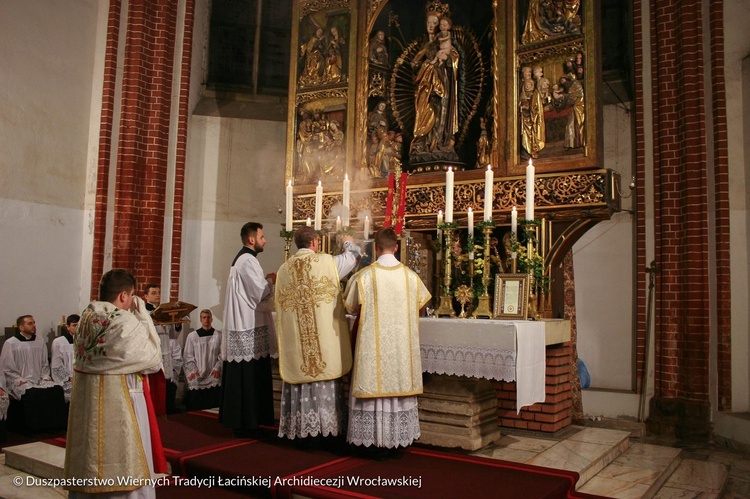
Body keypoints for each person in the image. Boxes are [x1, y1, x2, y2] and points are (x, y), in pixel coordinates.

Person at [64, 269, 165, 498]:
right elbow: (153, 360)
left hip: (89, 404)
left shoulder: (86, 318)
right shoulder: (124, 322)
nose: (131, 302)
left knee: (91, 454)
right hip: (123, 401)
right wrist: (144, 318)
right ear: (122, 296)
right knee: (126, 460)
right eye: (130, 296)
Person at [343, 228, 431, 455]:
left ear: (375, 247)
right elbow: (422, 306)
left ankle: (371, 441)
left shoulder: (364, 276)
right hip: (400, 350)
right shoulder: (411, 277)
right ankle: (395, 440)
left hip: (373, 351)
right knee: (397, 385)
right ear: (397, 247)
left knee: (372, 383)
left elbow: (351, 306)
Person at [275, 226, 360, 446]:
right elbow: (353, 257)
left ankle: (300, 429)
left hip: (298, 343)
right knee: (323, 370)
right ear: (314, 242)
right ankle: (326, 431)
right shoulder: (328, 263)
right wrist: (348, 242)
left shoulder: (284, 270)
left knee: (301, 373)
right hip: (322, 342)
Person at [220, 222, 277, 438]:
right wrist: (272, 281)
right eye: (262, 237)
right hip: (246, 325)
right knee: (248, 373)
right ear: (251, 240)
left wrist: (265, 281)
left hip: (245, 322)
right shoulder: (248, 260)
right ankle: (247, 423)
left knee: (247, 373)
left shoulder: (243, 260)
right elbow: (260, 293)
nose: (265, 240)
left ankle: (247, 421)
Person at [0, 315, 67, 433]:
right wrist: (20, 380)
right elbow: (7, 368)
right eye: (30, 323)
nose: (34, 326)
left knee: (56, 389)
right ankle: (31, 428)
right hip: (19, 380)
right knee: (32, 393)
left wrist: (45, 377)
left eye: (34, 323)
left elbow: (44, 364)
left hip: (39, 379)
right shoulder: (11, 343)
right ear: (21, 327)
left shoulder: (39, 341)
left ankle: (54, 426)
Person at [410, 10, 459, 162]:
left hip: (442, 84)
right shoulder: (426, 45)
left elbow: (454, 60)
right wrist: (423, 65)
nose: (431, 26)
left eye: (435, 23)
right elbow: (415, 66)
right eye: (429, 23)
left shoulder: (446, 43)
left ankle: (439, 143)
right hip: (425, 86)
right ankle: (422, 143)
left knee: (440, 113)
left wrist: (445, 59)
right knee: (424, 111)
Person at [143, 283, 180, 416]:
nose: (157, 295)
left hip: (165, 350)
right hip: (153, 353)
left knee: (166, 385)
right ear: (146, 296)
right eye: (153, 293)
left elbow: (172, 336)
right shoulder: (143, 313)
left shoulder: (164, 311)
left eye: (158, 292)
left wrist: (176, 322)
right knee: (154, 386)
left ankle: (165, 413)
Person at [183, 309, 222, 411]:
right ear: (201, 320)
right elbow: (188, 355)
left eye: (208, 317)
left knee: (216, 380)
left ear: (212, 319)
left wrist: (217, 367)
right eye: (204, 317)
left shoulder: (219, 335)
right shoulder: (192, 336)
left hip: (213, 370)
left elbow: (222, 354)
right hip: (198, 370)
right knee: (194, 380)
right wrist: (193, 370)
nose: (206, 320)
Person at [51, 314, 78, 403]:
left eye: (79, 325)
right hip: (67, 380)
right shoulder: (59, 342)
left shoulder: (85, 342)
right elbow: (56, 364)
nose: (77, 328)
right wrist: (68, 378)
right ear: (68, 327)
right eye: (74, 325)